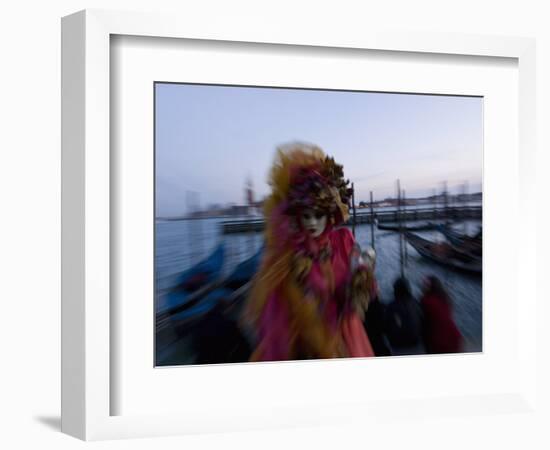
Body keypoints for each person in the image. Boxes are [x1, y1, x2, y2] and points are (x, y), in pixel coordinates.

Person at [244, 142, 376, 361]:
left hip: (346, 338)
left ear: (330, 214)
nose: (313, 223)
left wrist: (360, 287)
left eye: (319, 215)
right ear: (297, 216)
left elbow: (354, 284)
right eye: (306, 216)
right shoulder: (290, 256)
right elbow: (281, 317)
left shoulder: (343, 242)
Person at [420, 275, 463, 354]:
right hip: (455, 337)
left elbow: (423, 322)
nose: (422, 286)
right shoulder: (445, 298)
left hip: (439, 342)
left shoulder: (425, 301)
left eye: (425, 284)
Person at [385, 277, 424, 355]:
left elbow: (385, 325)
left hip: (398, 346)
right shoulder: (416, 304)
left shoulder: (392, 306)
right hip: (416, 343)